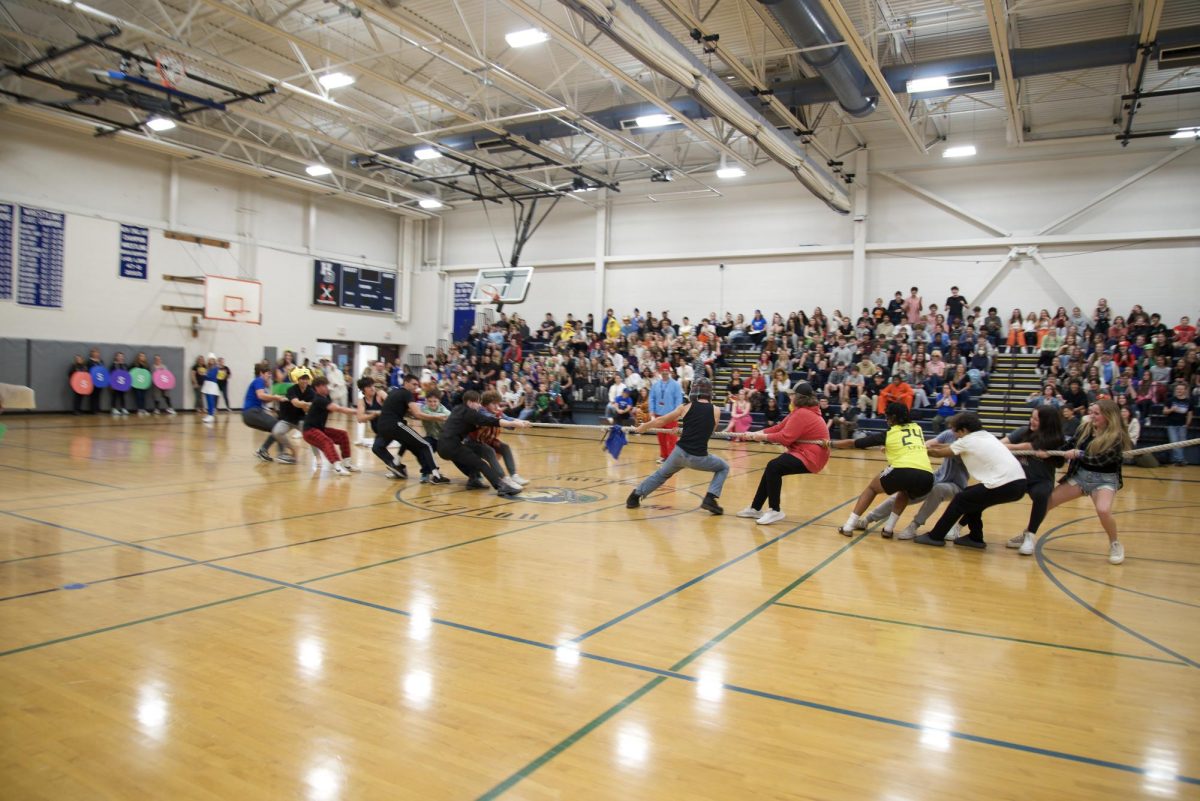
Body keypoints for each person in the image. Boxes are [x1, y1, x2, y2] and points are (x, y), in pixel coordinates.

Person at [914, 412, 1028, 549]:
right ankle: (975, 537)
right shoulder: (986, 435)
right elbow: (946, 447)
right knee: (972, 497)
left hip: (1004, 484)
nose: (954, 435)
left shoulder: (967, 441)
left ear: (963, 430)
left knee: (960, 499)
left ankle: (935, 536)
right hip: (1018, 483)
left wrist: (916, 449)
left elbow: (938, 453)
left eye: (955, 432)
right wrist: (929, 446)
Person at [1039, 400, 1132, 564]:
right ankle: (1029, 533)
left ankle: (1115, 543)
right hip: (1081, 476)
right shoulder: (1085, 428)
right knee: (1047, 501)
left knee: (1103, 510)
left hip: (1105, 479)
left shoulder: (1117, 437)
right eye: (1091, 412)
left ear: (1108, 416)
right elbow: (1070, 444)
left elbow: (1100, 460)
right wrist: (1051, 453)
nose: (1092, 416)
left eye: (1096, 414)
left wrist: (1079, 454)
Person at [832, 402, 934, 538]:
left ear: (892, 418)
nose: (886, 420)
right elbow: (908, 445)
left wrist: (829, 443)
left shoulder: (889, 434)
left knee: (872, 489)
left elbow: (853, 443)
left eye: (887, 417)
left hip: (903, 469)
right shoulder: (917, 428)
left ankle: (849, 526)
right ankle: (888, 529)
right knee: (904, 492)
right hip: (927, 476)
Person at [626, 377, 727, 515]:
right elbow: (706, 432)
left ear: (694, 391)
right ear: (709, 392)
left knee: (661, 474)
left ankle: (634, 497)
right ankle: (710, 498)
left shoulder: (685, 407)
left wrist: (644, 426)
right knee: (723, 467)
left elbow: (661, 420)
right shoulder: (716, 410)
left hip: (679, 453)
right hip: (698, 457)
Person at [735, 382, 831, 525]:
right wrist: (754, 434)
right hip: (806, 452)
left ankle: (775, 510)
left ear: (799, 397)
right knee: (772, 468)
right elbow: (779, 427)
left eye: (792, 394)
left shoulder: (803, 413)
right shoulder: (800, 411)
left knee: (774, 467)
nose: (789, 397)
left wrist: (761, 437)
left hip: (811, 456)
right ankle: (755, 508)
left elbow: (785, 437)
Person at [863, 429, 969, 540]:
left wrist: (905, 450)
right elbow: (927, 444)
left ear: (963, 430)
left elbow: (937, 451)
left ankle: (914, 526)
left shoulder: (969, 443)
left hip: (956, 485)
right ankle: (867, 519)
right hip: (937, 477)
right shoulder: (949, 433)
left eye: (956, 430)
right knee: (904, 493)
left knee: (937, 490)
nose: (954, 433)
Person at [436, 390, 527, 496]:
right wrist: (512, 423)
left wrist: (514, 422)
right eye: (478, 402)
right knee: (481, 464)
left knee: (472, 459)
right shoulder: (470, 413)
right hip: (451, 446)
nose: (479, 405)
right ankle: (501, 486)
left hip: (442, 446)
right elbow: (492, 421)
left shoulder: (457, 409)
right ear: (470, 402)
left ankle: (473, 481)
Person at [1002, 407, 1066, 555]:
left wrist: (1048, 455)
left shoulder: (1055, 439)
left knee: (1042, 494)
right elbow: (1002, 442)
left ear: (1047, 422)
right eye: (1032, 417)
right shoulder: (1023, 431)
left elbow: (1059, 463)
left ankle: (1030, 535)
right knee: (990, 489)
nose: (1032, 421)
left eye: (1037, 419)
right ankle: (961, 524)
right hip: (1018, 477)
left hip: (1040, 480)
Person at [373, 374, 450, 483]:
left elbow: (407, 412)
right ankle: (436, 476)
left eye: (417, 385)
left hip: (382, 426)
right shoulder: (407, 393)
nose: (415, 387)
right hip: (395, 425)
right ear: (406, 382)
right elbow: (418, 414)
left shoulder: (394, 392)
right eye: (414, 384)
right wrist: (437, 417)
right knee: (426, 445)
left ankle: (397, 465)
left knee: (383, 446)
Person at [300, 376, 359, 475]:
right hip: (309, 431)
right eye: (323, 386)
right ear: (317, 388)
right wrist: (357, 411)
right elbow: (338, 409)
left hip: (319, 429)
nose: (327, 387)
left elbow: (331, 410)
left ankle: (347, 463)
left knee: (342, 435)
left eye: (326, 385)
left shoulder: (326, 397)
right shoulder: (319, 399)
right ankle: (337, 467)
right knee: (327, 441)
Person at [471, 390, 529, 486]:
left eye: (497, 403)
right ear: (485, 404)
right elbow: (495, 419)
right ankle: (504, 479)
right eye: (493, 404)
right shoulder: (481, 411)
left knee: (504, 447)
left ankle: (514, 475)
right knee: (489, 451)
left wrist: (522, 422)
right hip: (473, 442)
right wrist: (515, 423)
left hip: (486, 441)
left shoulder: (495, 411)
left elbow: (507, 419)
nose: (496, 406)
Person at [245, 365, 296, 463]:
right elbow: (261, 395)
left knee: (276, 429)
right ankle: (281, 454)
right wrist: (276, 397)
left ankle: (263, 450)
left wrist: (280, 398)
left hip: (250, 415)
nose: (269, 377)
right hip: (252, 412)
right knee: (279, 426)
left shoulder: (261, 385)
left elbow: (264, 399)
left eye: (270, 375)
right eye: (267, 374)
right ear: (261, 373)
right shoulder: (258, 380)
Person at [648, 362, 683, 463]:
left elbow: (678, 400)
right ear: (660, 371)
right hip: (659, 415)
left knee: (672, 437)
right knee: (661, 437)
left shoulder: (676, 385)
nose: (664, 373)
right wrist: (651, 412)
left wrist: (677, 413)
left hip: (671, 415)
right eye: (662, 371)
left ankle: (671, 458)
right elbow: (651, 399)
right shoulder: (655, 385)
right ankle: (664, 456)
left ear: (669, 371)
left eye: (666, 371)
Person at [1164, 383, 1192, 466]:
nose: (1179, 390)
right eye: (1177, 389)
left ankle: (1179, 460)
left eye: (1181, 389)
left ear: (1185, 390)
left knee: (1182, 443)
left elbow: (1190, 413)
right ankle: (1181, 460)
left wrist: (1187, 424)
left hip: (1182, 425)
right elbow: (1164, 412)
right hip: (1171, 425)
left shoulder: (1189, 401)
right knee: (1174, 442)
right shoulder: (1170, 400)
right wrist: (1171, 409)